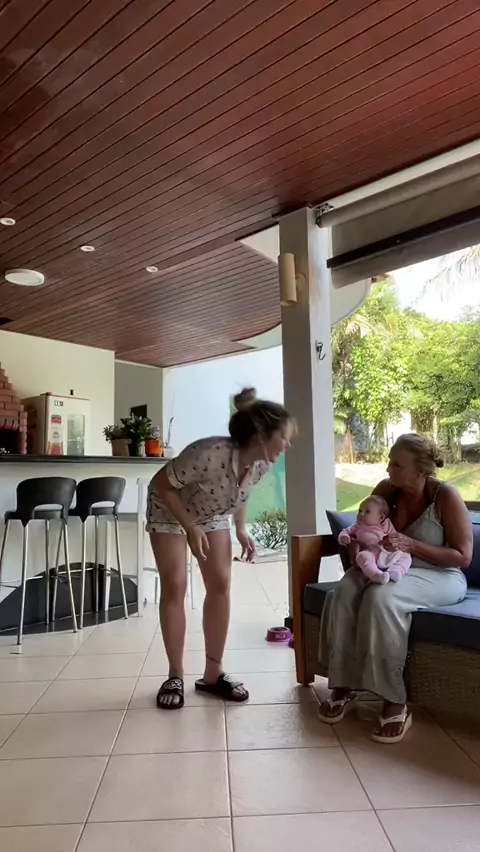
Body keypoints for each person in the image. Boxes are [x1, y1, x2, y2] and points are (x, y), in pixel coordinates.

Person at [318, 433, 472, 743]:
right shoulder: (386, 492)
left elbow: (463, 556)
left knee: (381, 597)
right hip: (388, 566)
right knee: (344, 590)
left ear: (420, 470)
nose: (388, 468)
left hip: (440, 575)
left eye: (397, 464)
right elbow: (362, 530)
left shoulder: (445, 496)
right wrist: (356, 551)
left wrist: (412, 545)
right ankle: (343, 684)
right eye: (390, 462)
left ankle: (394, 698)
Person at [147, 388, 295, 709]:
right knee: (175, 585)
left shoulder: (260, 463)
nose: (287, 444)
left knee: (220, 584)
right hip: (169, 510)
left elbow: (242, 492)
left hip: (211, 514)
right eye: (283, 437)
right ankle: (175, 675)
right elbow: (161, 484)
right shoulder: (208, 453)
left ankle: (213, 674)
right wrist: (189, 526)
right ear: (261, 435)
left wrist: (240, 528)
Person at [338, 495, 411, 584]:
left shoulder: (386, 524)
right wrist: (344, 537)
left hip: (386, 552)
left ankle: (396, 571)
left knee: (406, 555)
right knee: (362, 556)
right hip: (370, 553)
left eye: (367, 511)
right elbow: (345, 531)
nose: (361, 514)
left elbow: (394, 537)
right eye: (360, 511)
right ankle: (377, 575)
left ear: (381, 517)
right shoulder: (358, 525)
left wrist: (394, 545)